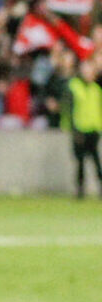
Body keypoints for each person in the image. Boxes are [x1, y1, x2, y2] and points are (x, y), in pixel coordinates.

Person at [62, 55, 102, 199]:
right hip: (79, 129)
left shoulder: (96, 89)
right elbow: (68, 108)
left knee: (96, 161)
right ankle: (80, 189)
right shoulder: (74, 86)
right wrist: (72, 128)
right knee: (80, 162)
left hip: (94, 129)